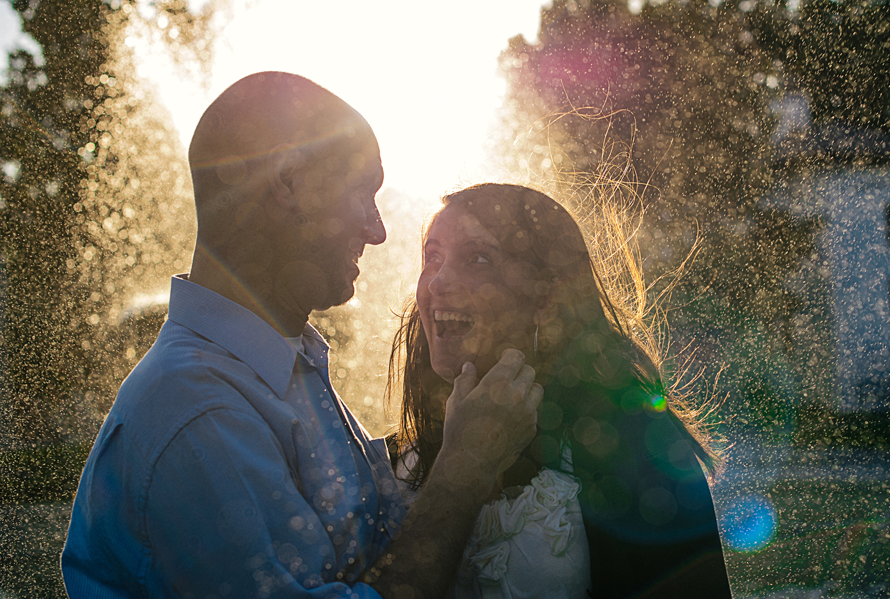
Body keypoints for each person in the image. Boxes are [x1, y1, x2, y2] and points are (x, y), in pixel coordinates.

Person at [61, 72, 543, 599]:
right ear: (288, 181)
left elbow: (368, 537)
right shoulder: (199, 411)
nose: (377, 230)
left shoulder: (282, 363)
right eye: (363, 193)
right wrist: (464, 470)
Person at [388, 183, 732, 598]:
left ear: (546, 299)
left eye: (477, 258)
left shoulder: (636, 448)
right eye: (432, 257)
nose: (438, 281)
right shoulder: (391, 464)